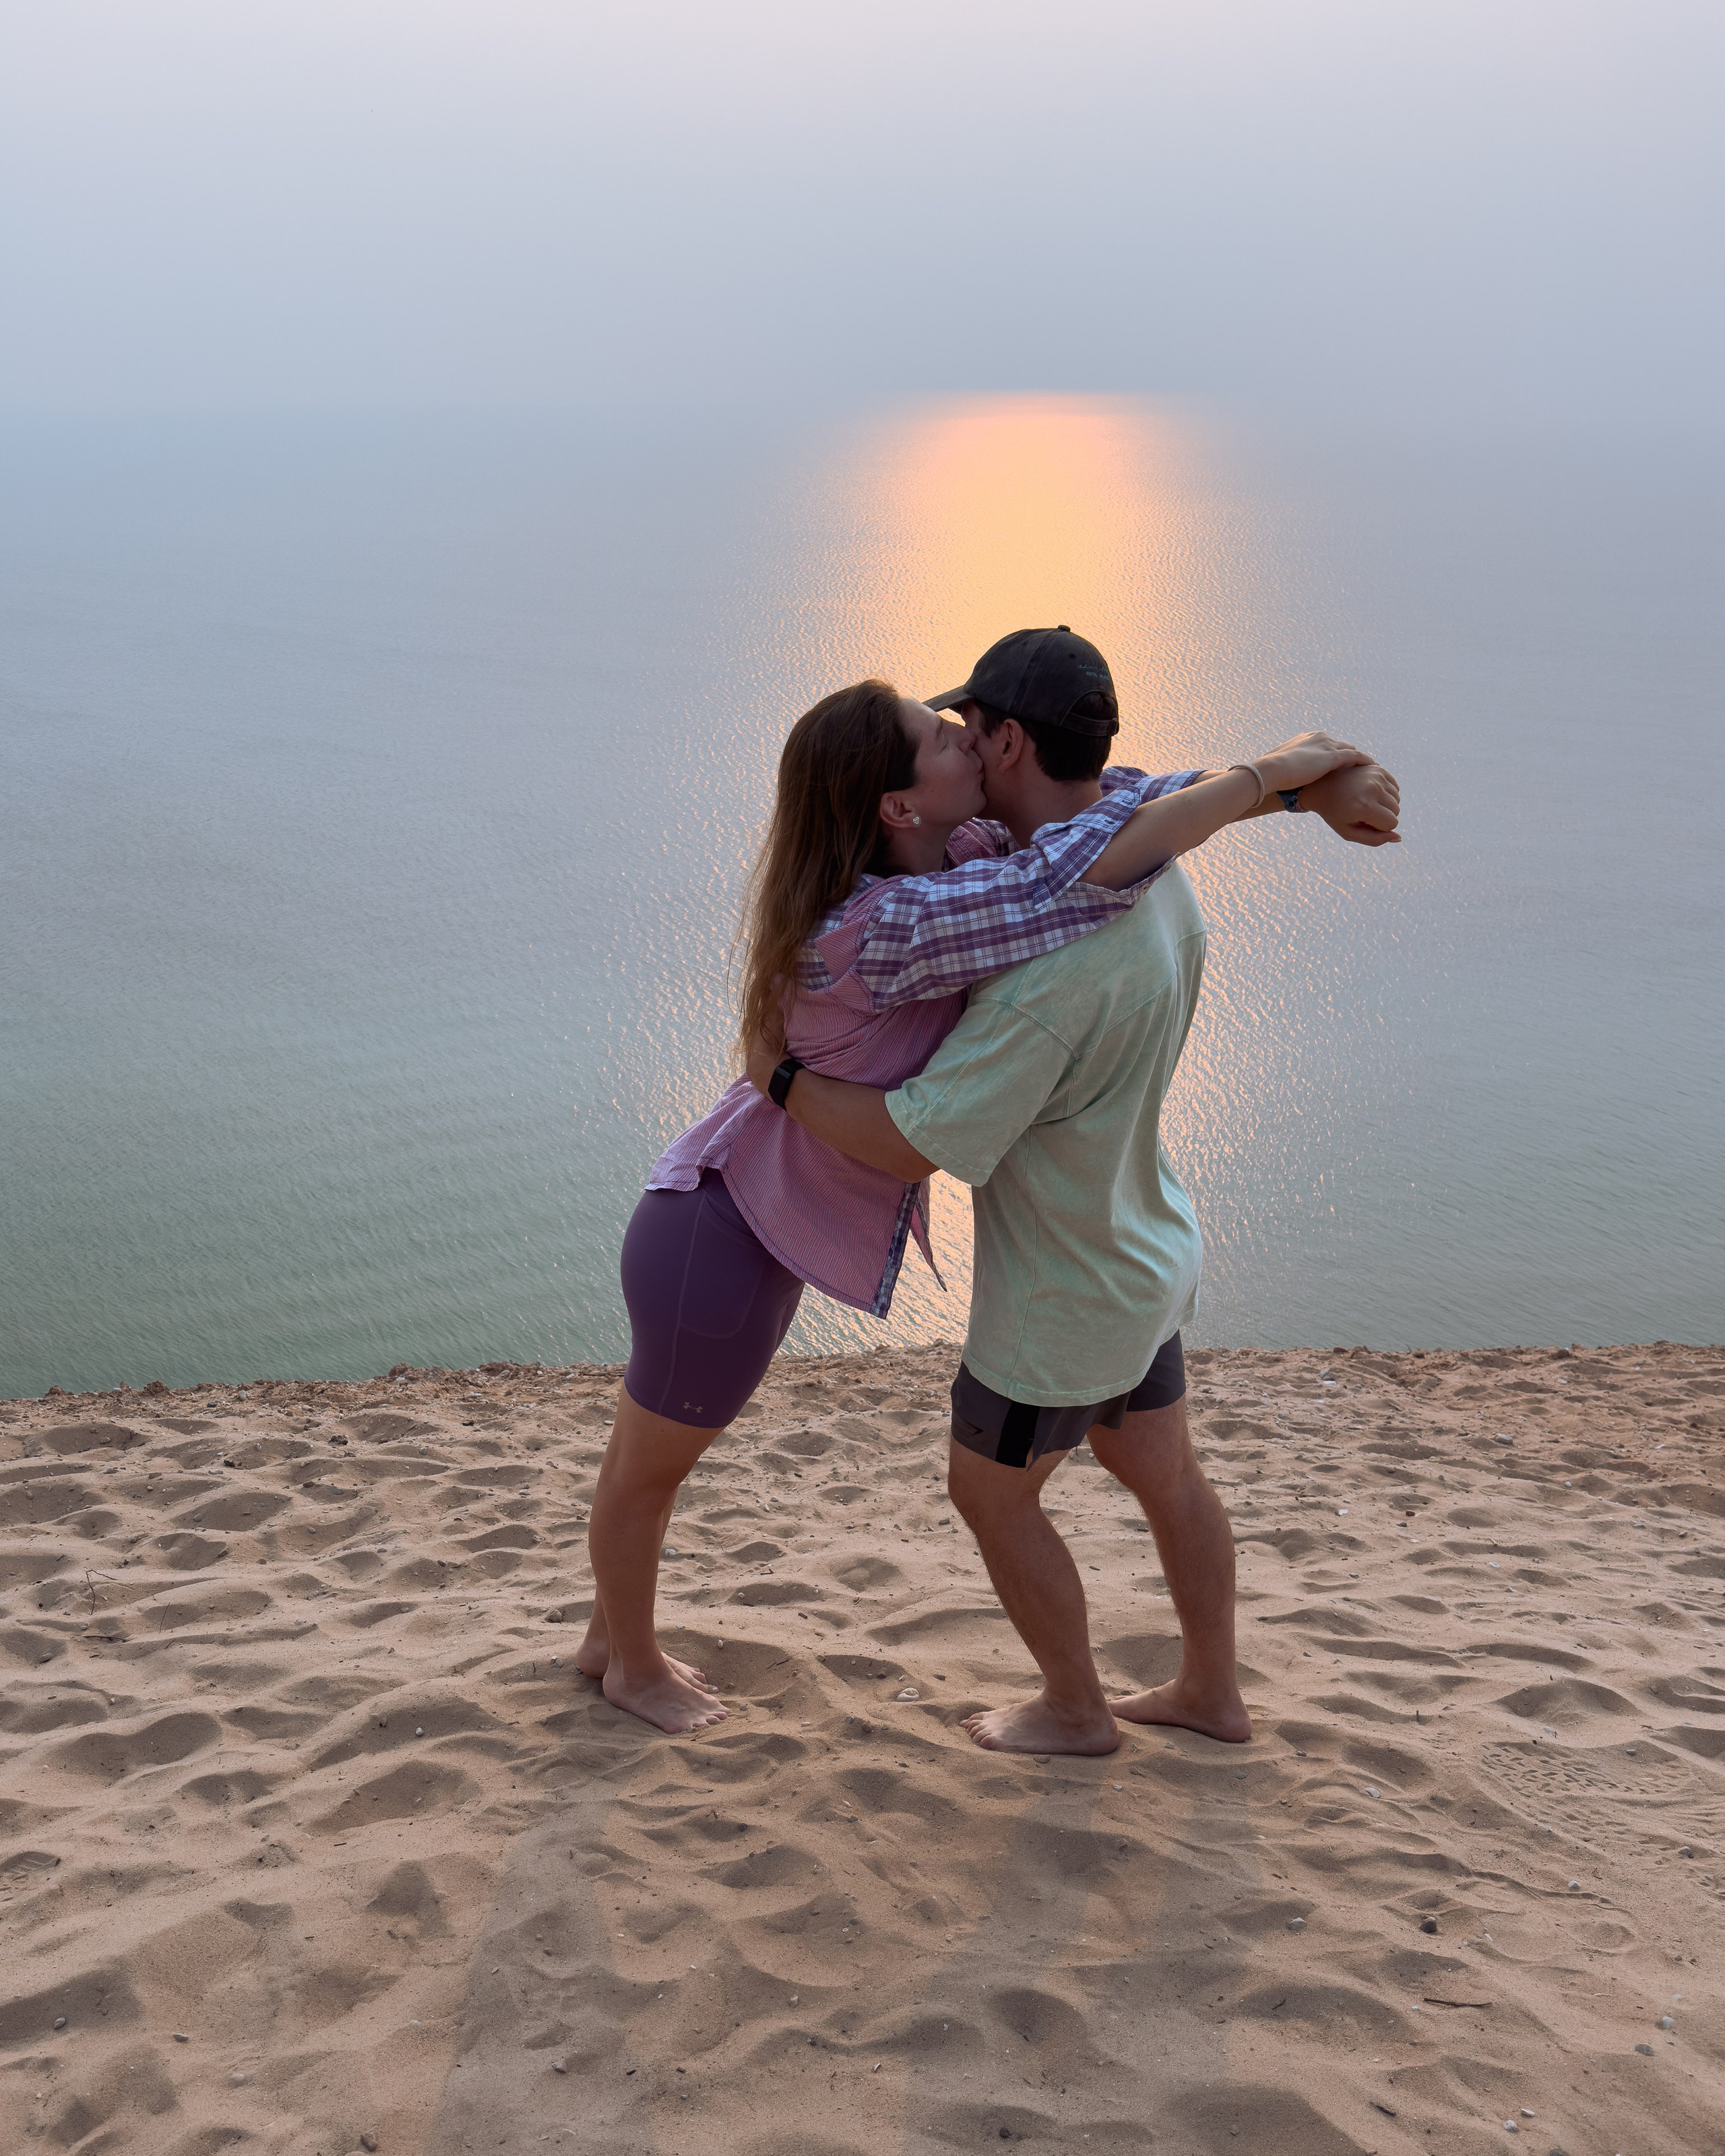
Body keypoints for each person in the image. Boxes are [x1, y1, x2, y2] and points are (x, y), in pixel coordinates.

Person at [584, 652, 1394, 1733]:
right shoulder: (892, 927)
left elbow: (1116, 815)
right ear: (896, 802)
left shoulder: (973, 861)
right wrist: (1281, 782)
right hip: (723, 1233)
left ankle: (1100, 1706)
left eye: (968, 725)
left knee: (990, 1489)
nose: (964, 739)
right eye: (939, 734)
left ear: (1009, 746)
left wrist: (1301, 784)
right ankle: (624, 1659)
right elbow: (1075, 862)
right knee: (648, 1471)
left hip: (991, 1263)